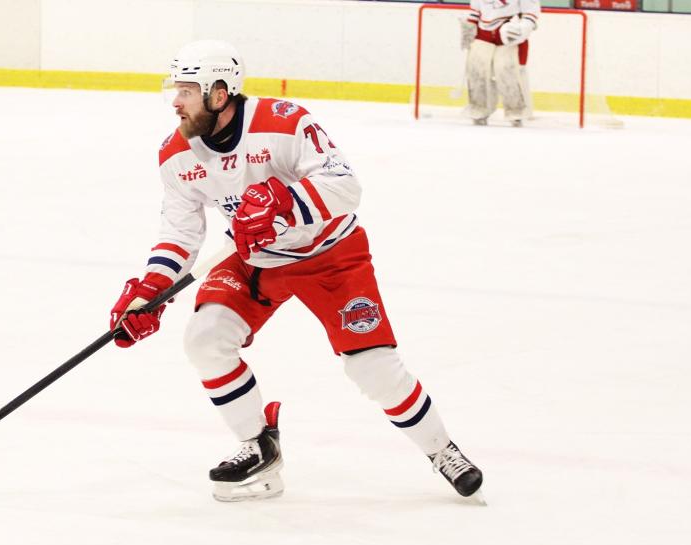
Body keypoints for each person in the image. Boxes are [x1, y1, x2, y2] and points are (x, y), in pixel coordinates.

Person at [109, 40, 484, 502]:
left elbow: (346, 185)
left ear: (219, 94)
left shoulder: (283, 122)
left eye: (186, 91)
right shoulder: (176, 154)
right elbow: (180, 233)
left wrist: (284, 202)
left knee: (372, 368)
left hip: (329, 254)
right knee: (205, 339)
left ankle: (442, 450)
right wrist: (150, 290)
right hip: (253, 259)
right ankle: (258, 445)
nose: (176, 102)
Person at [463, 0, 540, 126]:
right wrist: (469, 27)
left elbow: (530, 15)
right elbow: (475, 11)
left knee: (506, 70)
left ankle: (516, 112)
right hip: (483, 34)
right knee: (476, 69)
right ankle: (478, 109)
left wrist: (522, 28)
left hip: (510, 35)